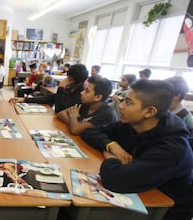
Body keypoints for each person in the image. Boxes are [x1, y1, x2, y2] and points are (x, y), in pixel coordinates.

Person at [80, 79, 193, 220]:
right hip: (138, 192)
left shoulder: (172, 148)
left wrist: (112, 158)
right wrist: (111, 145)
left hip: (162, 210)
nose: (120, 106)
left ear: (150, 111)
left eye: (128, 102)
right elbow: (89, 132)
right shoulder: (134, 123)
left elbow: (114, 180)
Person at [9, 63, 88, 113]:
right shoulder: (70, 88)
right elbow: (49, 98)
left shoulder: (81, 95)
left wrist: (61, 88)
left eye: (69, 79)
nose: (66, 80)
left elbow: (59, 109)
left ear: (77, 81)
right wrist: (25, 99)